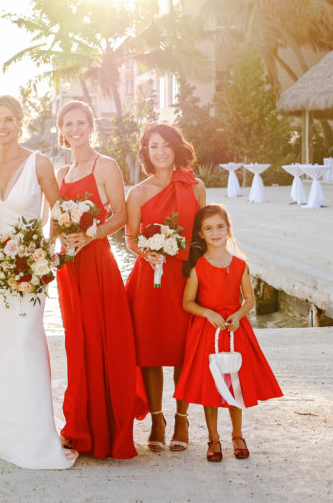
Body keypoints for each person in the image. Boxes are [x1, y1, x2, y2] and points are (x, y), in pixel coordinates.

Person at [0, 95, 77, 469]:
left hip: (30, 270)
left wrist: (46, 254)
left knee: (26, 342)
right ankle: (8, 435)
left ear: (20, 122)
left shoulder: (38, 163)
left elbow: (59, 212)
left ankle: (35, 437)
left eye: (8, 119)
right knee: (5, 346)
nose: (1, 126)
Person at [53, 100, 146, 459]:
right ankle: (79, 426)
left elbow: (121, 216)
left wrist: (89, 236)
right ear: (62, 130)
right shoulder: (61, 175)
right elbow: (54, 223)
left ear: (91, 126)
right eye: (68, 124)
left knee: (105, 340)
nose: (75, 129)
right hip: (68, 268)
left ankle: (108, 428)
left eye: (81, 122)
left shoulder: (105, 165)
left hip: (96, 264)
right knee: (77, 344)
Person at [174, 204, 282, 462]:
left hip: (235, 331)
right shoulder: (198, 267)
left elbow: (248, 300)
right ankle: (213, 438)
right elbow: (187, 302)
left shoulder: (240, 264)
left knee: (236, 382)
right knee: (211, 385)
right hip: (207, 333)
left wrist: (239, 314)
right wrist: (208, 313)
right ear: (201, 234)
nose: (215, 232)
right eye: (208, 228)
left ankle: (237, 434)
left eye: (220, 227)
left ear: (228, 229)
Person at [124, 123, 206, 453]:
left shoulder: (196, 186)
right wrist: (147, 250)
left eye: (165, 145)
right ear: (146, 152)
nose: (159, 151)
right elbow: (130, 238)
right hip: (150, 280)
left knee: (184, 350)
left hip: (185, 278)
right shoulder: (138, 192)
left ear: (176, 147)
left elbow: (202, 236)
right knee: (151, 352)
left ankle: (182, 418)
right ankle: (157, 419)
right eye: (152, 146)